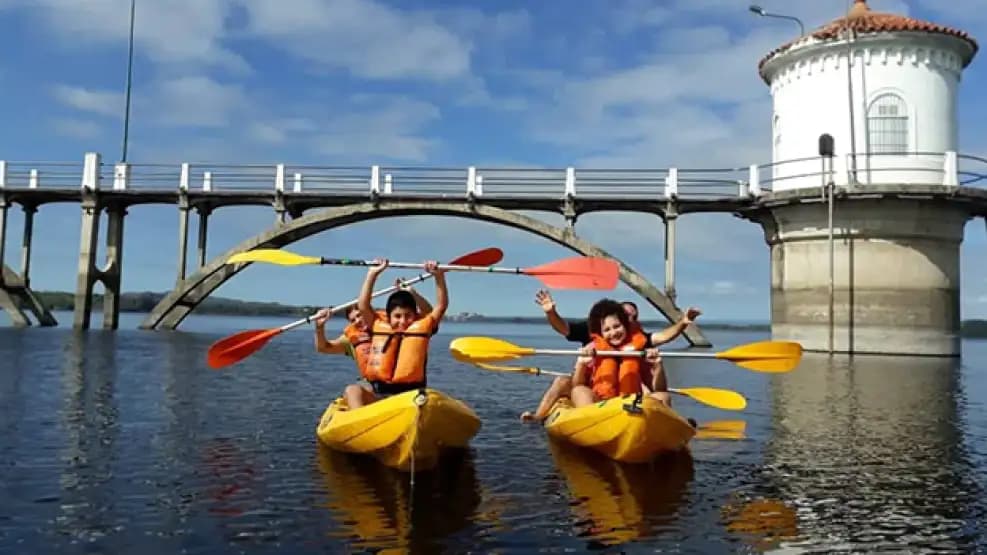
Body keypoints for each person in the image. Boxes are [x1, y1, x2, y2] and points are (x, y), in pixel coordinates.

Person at [520, 291, 701, 422]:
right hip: (596, 394)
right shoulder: (595, 331)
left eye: (632, 316)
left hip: (628, 398)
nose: (614, 331)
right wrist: (551, 312)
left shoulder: (639, 340)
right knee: (567, 384)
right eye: (625, 313)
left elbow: (664, 336)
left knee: (662, 396)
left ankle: (669, 427)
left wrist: (683, 323)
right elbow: (563, 328)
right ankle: (539, 416)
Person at [333, 258, 447, 410]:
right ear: (389, 316)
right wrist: (372, 274)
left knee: (424, 400)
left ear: (415, 316)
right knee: (352, 390)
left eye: (408, 316)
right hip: (379, 393)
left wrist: (439, 277)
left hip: (409, 396)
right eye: (398, 316)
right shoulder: (377, 324)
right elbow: (363, 305)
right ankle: (363, 425)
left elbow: (441, 306)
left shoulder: (423, 327)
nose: (403, 321)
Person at [312, 279, 434, 374]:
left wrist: (412, 294)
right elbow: (323, 348)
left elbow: (429, 315)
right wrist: (319, 327)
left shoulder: (395, 324)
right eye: (353, 319)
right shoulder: (354, 337)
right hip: (375, 386)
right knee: (352, 391)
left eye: (359, 315)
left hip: (405, 386)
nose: (358, 321)